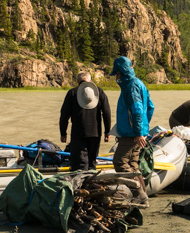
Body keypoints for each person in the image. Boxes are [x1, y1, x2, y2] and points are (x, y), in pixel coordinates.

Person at [110, 56, 156, 207]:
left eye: (116, 73)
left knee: (120, 162)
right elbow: (150, 107)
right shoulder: (139, 83)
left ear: (120, 73)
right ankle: (143, 196)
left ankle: (139, 195)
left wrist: (138, 132)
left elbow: (136, 110)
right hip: (136, 132)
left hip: (131, 134)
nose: (115, 77)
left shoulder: (130, 86)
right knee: (133, 165)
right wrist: (143, 128)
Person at [59, 72, 111, 171]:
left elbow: (64, 115)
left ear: (78, 81)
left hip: (78, 133)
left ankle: (80, 184)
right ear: (91, 81)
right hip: (95, 134)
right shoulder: (99, 92)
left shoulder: (72, 93)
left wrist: (63, 133)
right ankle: (91, 182)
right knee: (92, 162)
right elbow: (107, 113)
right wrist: (107, 132)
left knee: (79, 164)